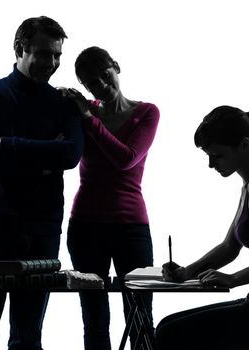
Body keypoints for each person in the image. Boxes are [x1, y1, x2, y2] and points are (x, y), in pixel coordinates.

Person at [0, 16, 83, 350]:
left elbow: (70, 155)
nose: (52, 63)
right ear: (20, 49)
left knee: (28, 338)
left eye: (57, 56)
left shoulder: (64, 104)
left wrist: (7, 145)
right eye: (44, 54)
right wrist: (43, 159)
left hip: (42, 231)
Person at [155, 106, 249, 350]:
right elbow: (229, 247)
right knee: (165, 327)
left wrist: (234, 279)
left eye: (217, 155)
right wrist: (187, 272)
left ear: (244, 145)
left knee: (169, 335)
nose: (210, 164)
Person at [61, 46, 160, 350]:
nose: (101, 85)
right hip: (86, 226)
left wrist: (90, 118)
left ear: (116, 67)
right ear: (85, 86)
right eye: (91, 83)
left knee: (140, 315)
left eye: (105, 75)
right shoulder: (81, 112)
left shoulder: (146, 112)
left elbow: (126, 158)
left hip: (131, 227)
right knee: (94, 317)